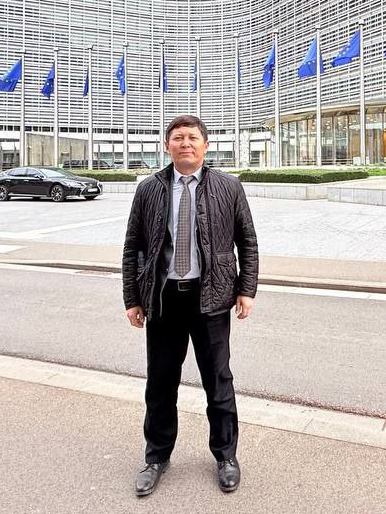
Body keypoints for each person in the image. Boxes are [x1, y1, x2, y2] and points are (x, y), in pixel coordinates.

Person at [122, 114, 259, 498]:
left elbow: (247, 241)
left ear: (205, 145)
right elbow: (132, 247)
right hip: (163, 300)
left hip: (211, 298)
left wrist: (246, 289)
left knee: (218, 382)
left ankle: (226, 456)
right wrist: (132, 298)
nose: (185, 143)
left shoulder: (228, 186)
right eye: (178, 137)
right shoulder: (149, 189)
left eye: (192, 137)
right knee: (160, 384)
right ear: (167, 145)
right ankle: (156, 457)